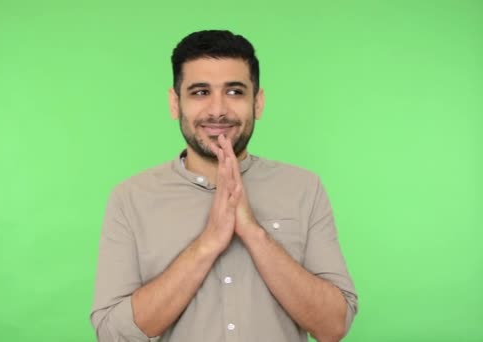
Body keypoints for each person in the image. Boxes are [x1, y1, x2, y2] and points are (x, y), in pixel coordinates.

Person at [90, 29, 358, 342]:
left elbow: (333, 326)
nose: (218, 110)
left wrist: (254, 233)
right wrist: (208, 243)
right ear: (175, 103)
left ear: (257, 102)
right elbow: (112, 334)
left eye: (234, 92)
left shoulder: (304, 188)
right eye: (200, 92)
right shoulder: (130, 199)